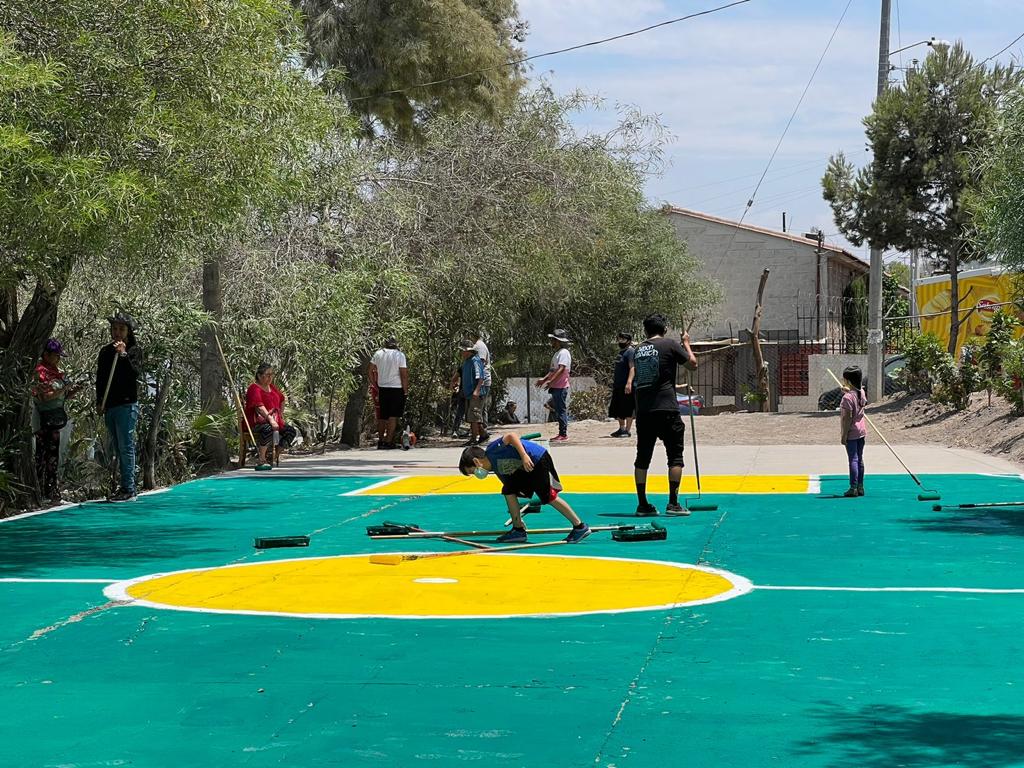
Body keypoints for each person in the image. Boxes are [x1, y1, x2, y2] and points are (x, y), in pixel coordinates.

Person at [459, 432, 591, 544]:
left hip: (536, 459)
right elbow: (508, 483)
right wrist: (518, 517)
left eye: (472, 471)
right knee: (508, 490)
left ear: (477, 462)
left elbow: (511, 436)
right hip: (526, 469)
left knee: (547, 496)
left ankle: (580, 526)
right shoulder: (495, 468)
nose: (476, 475)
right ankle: (518, 530)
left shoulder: (493, 450)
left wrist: (523, 455)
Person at [631, 313, 697, 516]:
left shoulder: (638, 350)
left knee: (642, 458)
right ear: (664, 329)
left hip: (644, 410)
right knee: (675, 457)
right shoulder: (670, 344)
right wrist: (686, 343)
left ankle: (642, 504)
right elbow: (692, 364)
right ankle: (673, 502)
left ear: (646, 330)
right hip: (667, 407)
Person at [96, 313, 143, 501]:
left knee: (126, 446)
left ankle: (129, 488)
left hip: (126, 405)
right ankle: (123, 485)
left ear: (128, 332)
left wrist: (123, 355)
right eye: (114, 328)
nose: (117, 332)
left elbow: (134, 373)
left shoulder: (134, 350)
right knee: (116, 447)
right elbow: (100, 379)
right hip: (110, 405)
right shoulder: (105, 352)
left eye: (121, 329)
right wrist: (99, 401)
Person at [33, 339, 81, 503]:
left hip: (55, 420)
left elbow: (60, 397)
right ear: (45, 355)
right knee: (41, 456)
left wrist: (71, 391)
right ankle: (39, 491)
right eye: (55, 356)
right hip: (43, 421)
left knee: (53, 456)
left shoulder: (56, 373)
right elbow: (45, 397)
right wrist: (63, 389)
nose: (58, 360)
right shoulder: (40, 373)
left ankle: (52, 490)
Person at [244, 363, 297, 469]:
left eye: (272, 374)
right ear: (259, 375)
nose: (270, 377)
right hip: (257, 422)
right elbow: (259, 406)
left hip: (275, 420)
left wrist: (280, 415)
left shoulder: (272, 387)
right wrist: (271, 420)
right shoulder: (254, 388)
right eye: (267, 374)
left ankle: (273, 456)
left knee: (290, 431)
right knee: (268, 428)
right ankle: (261, 458)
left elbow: (282, 399)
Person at [368, 337, 409, 449]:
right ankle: (388, 441)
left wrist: (375, 385)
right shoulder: (400, 355)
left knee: (382, 416)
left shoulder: (378, 354)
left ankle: (381, 441)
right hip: (396, 388)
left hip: (383, 388)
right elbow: (403, 374)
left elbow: (370, 370)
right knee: (393, 416)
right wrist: (405, 390)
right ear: (396, 344)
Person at [535, 329, 571, 442]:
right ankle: (561, 433)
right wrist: (544, 379)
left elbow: (561, 369)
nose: (552, 342)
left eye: (553, 340)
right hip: (556, 386)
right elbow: (552, 370)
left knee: (561, 410)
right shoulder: (557, 354)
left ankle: (563, 434)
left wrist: (551, 381)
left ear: (558, 341)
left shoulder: (564, 353)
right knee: (558, 409)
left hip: (561, 386)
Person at [839, 365, 867, 497]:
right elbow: (855, 395)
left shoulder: (847, 398)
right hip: (861, 430)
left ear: (848, 381)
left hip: (852, 432)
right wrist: (848, 391)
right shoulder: (861, 392)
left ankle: (853, 487)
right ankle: (860, 486)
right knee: (860, 459)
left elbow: (847, 418)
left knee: (853, 459)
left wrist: (844, 435)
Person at [459, 339, 489, 446]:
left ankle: (474, 438)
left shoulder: (476, 361)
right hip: (468, 393)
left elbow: (480, 377)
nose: (462, 353)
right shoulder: (467, 362)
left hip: (476, 394)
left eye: (463, 351)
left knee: (474, 417)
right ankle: (482, 434)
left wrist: (476, 391)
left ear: (469, 351)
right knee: (472, 417)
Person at [609, 332, 636, 438]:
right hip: (618, 385)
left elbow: (632, 368)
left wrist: (629, 383)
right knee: (618, 407)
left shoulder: (630, 352)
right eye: (619, 339)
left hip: (626, 385)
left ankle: (627, 430)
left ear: (628, 341)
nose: (620, 341)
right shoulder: (621, 352)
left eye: (622, 339)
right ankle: (621, 428)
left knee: (628, 407)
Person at [469, 330, 492, 438]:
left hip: (482, 383)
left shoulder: (479, 346)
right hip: (479, 382)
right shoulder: (477, 346)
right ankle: (480, 433)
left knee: (476, 410)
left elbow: (480, 365)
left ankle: (481, 433)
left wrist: (477, 387)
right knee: (478, 409)